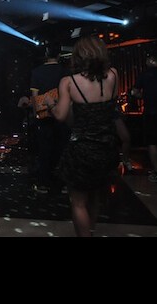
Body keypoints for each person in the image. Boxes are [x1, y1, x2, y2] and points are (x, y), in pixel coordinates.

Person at [45, 35, 120, 237]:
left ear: (78, 56)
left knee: (78, 202)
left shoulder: (69, 82)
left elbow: (61, 116)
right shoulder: (113, 75)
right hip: (107, 146)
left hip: (82, 149)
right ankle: (91, 231)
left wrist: (50, 104)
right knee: (95, 196)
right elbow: (111, 106)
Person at [29, 44, 70, 193]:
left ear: (46, 55)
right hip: (63, 114)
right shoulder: (65, 71)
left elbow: (35, 96)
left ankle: (43, 183)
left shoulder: (37, 72)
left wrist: (36, 115)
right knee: (62, 148)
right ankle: (64, 184)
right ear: (59, 55)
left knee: (44, 149)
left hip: (44, 116)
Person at [131, 53, 157, 183]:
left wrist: (145, 96)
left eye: (148, 59)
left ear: (153, 60)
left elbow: (135, 92)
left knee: (152, 142)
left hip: (151, 113)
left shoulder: (145, 74)